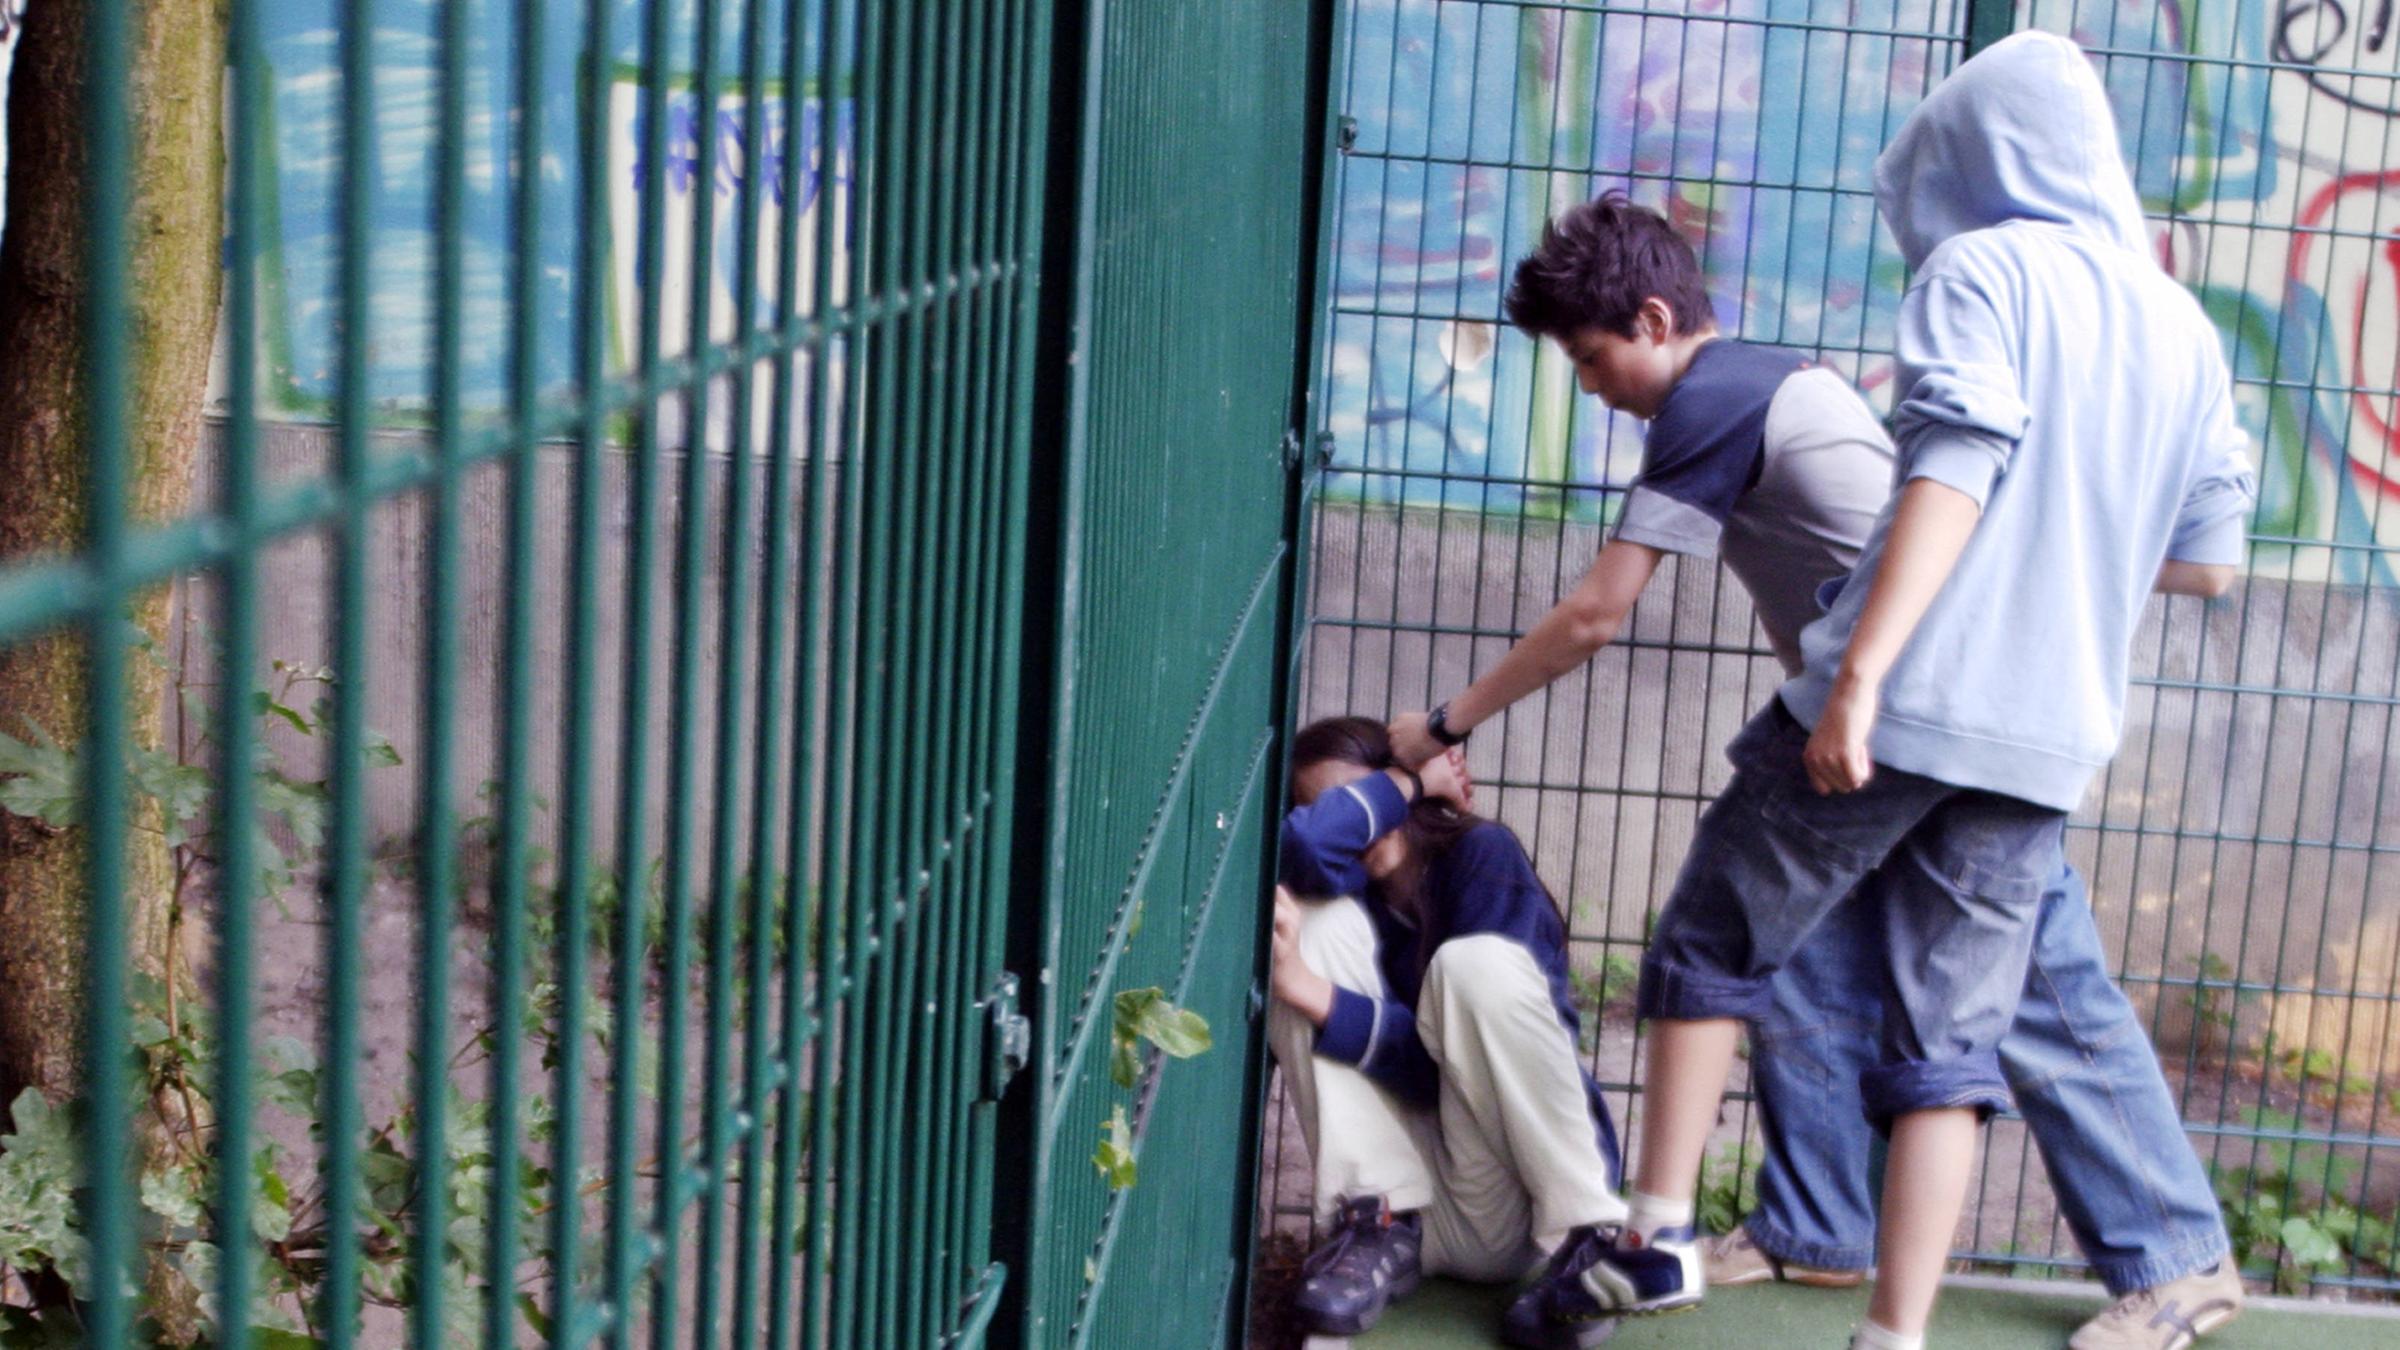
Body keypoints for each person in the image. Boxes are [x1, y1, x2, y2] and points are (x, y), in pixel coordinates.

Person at [1471, 31, 2255, 1350]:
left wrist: (1868, 670)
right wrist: (2065, 560)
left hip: (1916, 689)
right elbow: (2207, 562)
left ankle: (1665, 1233)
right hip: (2050, 719)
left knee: (1745, 947)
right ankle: (1856, 1272)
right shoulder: (2174, 319)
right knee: (1920, 1005)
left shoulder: (1982, 269)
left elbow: (1953, 463)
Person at [1268, 717, 1625, 1338]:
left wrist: (1318, 996)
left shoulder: (1482, 856)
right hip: (1411, 1218)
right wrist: (1404, 780)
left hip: (1506, 1199)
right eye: (1325, 811)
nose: (1353, 826)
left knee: (1472, 964)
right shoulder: (1344, 895)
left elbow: (1446, 1069)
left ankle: (1591, 1238)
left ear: (1401, 795)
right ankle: (1372, 1220)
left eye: (1358, 798)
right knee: (1304, 929)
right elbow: (1302, 848)